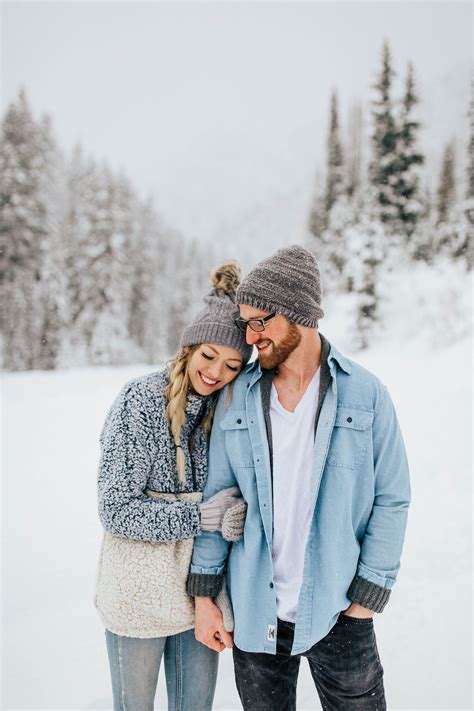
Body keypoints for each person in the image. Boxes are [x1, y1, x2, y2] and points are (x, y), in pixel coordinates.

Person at [188, 245, 411, 710]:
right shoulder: (238, 399)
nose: (250, 337)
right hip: (255, 614)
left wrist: (366, 597)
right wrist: (205, 593)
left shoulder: (365, 394)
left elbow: (392, 497)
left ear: (298, 314)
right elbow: (218, 499)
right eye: (246, 323)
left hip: (338, 610)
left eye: (259, 322)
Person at [94, 261, 252, 711]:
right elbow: (116, 509)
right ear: (188, 348)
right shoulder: (140, 401)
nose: (216, 372)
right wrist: (198, 514)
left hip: (196, 595)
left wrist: (235, 512)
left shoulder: (226, 413)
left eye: (232, 364)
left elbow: (234, 495)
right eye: (208, 355)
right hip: (137, 594)